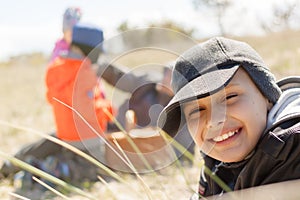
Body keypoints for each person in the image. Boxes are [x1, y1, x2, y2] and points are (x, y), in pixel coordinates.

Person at [157, 37, 300, 198]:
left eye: (230, 97)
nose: (214, 120)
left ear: (267, 95)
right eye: (197, 111)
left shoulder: (292, 145)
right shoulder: (215, 160)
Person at [0, 23, 114, 187]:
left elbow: (51, 98)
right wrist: (110, 110)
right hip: (83, 138)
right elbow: (87, 112)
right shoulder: (85, 73)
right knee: (93, 170)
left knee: (45, 144)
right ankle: (46, 170)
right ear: (88, 50)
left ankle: (12, 165)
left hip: (65, 132)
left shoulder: (55, 68)